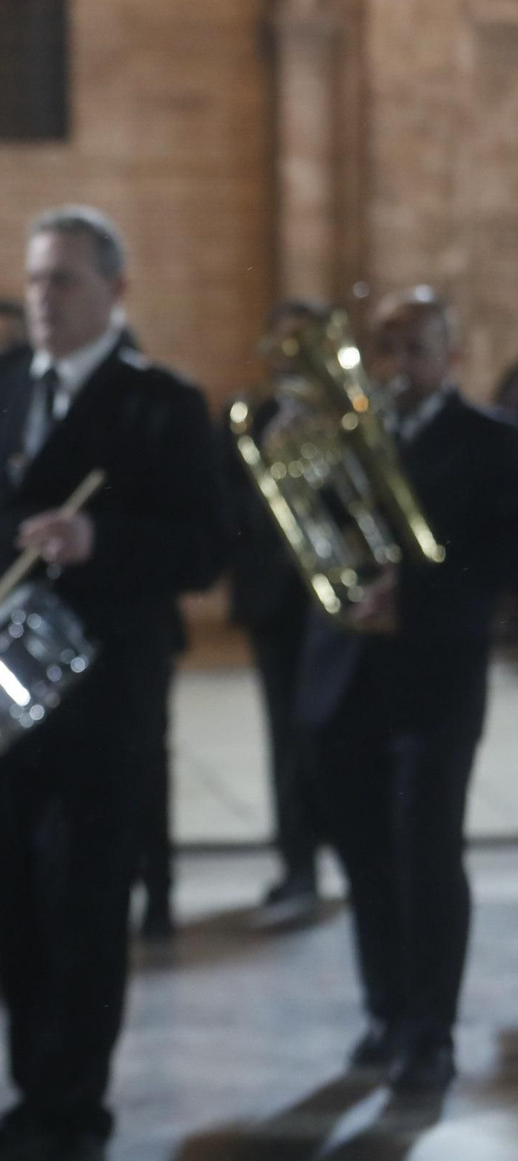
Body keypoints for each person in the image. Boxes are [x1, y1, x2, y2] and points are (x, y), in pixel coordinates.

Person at [0, 205, 224, 1161]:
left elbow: (208, 548)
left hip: (101, 701)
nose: (43, 299)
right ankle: (31, 1094)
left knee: (87, 903)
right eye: (34, 280)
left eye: (63, 279)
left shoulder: (160, 403)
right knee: (13, 896)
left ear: (115, 290)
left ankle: (77, 1107)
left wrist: (103, 540)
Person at [294, 287, 518, 1095]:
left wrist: (414, 600)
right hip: (345, 675)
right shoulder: (343, 438)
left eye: (415, 349)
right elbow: (309, 536)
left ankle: (432, 1032)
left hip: (435, 677)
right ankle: (385, 1012)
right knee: (363, 858)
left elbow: (505, 560)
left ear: (453, 357)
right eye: (384, 349)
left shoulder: (494, 441)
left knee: (426, 853)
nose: (396, 366)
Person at [223, 299, 333, 926]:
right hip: (276, 598)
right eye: (284, 346)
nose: (292, 359)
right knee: (285, 737)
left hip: (337, 600)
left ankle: (346, 852)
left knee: (339, 734)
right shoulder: (249, 417)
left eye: (305, 346)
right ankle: (298, 864)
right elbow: (225, 512)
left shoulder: (348, 412)